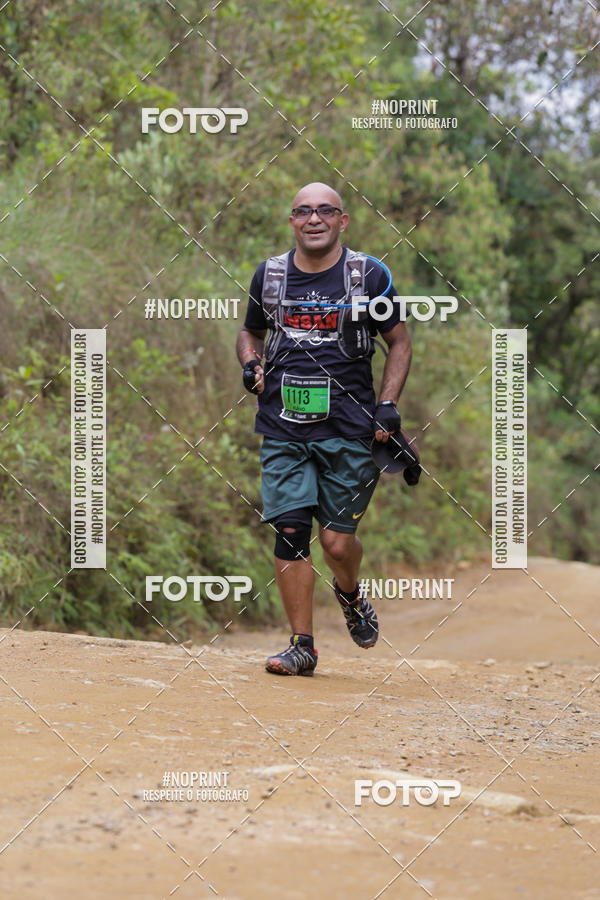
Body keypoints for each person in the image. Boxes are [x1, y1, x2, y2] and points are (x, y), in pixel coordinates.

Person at [236, 182, 412, 676]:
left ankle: (350, 593)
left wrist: (389, 405)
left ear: (342, 220)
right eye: (303, 211)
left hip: (352, 428)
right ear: (292, 220)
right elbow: (250, 332)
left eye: (324, 211)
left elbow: (399, 343)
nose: (314, 219)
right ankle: (302, 646)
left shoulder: (368, 276)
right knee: (290, 531)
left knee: (336, 544)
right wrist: (251, 363)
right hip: (283, 425)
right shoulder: (269, 276)